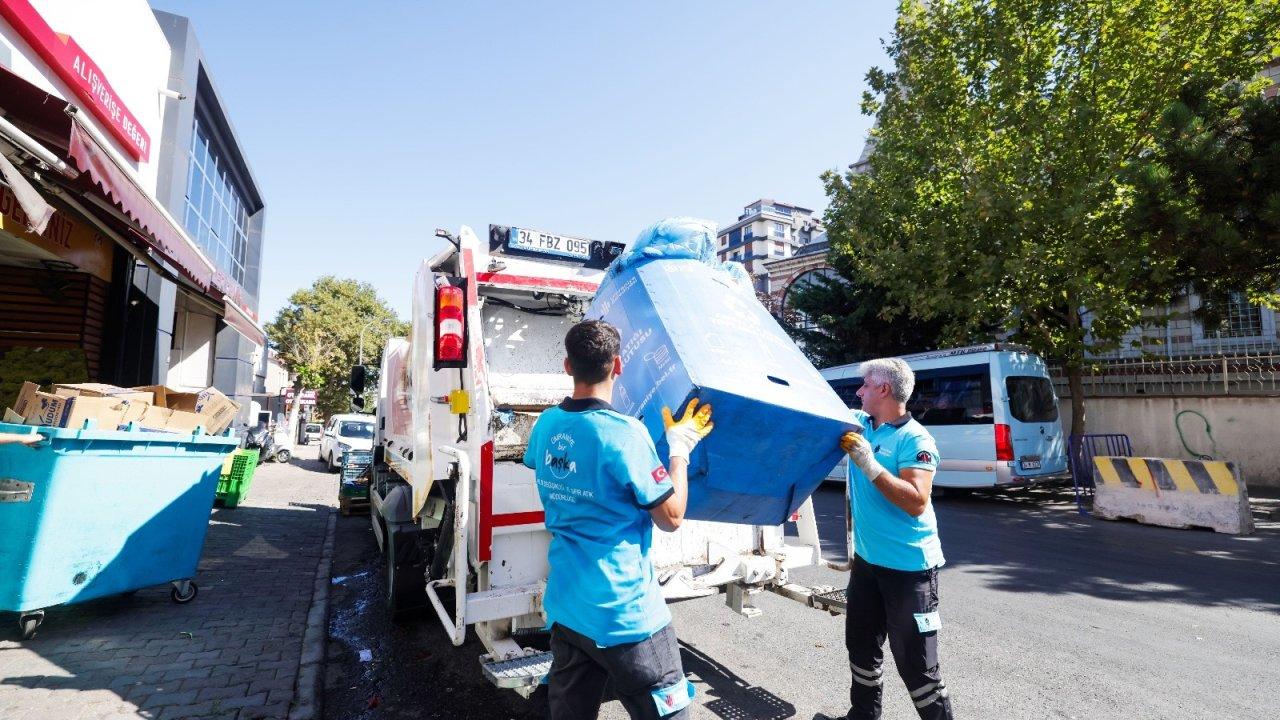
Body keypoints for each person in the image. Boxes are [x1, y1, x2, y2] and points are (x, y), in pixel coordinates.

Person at [524, 319, 713, 720]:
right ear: (618, 365)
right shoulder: (625, 433)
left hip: (568, 607)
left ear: (567, 366)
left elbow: (544, 464)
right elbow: (671, 517)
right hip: (625, 615)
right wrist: (680, 448)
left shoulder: (546, 425)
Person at [827, 357, 954, 720]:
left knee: (917, 667)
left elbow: (916, 501)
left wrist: (870, 464)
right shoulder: (862, 424)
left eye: (865, 385)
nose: (858, 391)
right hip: (867, 565)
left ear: (883, 389)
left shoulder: (915, 439)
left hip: (909, 569)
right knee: (862, 648)